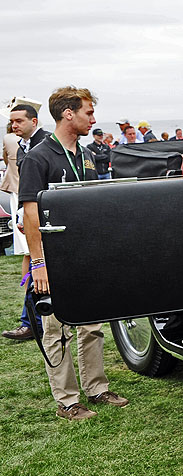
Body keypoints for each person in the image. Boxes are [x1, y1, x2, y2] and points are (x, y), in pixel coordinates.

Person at [19, 86, 129, 420]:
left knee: (91, 326)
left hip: (85, 256)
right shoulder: (38, 157)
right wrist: (38, 263)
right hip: (53, 261)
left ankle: (96, 388)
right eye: (88, 113)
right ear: (69, 114)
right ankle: (67, 401)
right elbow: (31, 213)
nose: (93, 119)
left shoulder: (86, 155)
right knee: (56, 331)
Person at [2, 101, 50, 342]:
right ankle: (31, 321)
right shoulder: (22, 146)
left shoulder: (47, 143)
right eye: (12, 121)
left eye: (19, 121)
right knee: (33, 264)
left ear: (34, 121)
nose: (14, 125)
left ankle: (32, 322)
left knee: (37, 265)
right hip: (28, 212)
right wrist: (22, 212)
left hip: (46, 216)